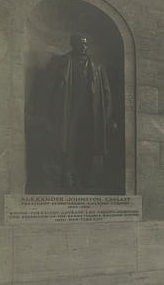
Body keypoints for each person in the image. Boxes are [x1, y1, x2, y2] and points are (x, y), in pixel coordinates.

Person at [44, 33, 115, 194]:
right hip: (68, 110)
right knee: (68, 144)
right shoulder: (62, 62)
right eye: (81, 43)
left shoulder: (96, 66)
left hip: (91, 112)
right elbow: (50, 88)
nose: (84, 47)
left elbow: (106, 93)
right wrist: (48, 111)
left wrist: (108, 117)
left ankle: (86, 177)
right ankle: (67, 176)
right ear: (73, 44)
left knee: (87, 144)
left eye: (86, 44)